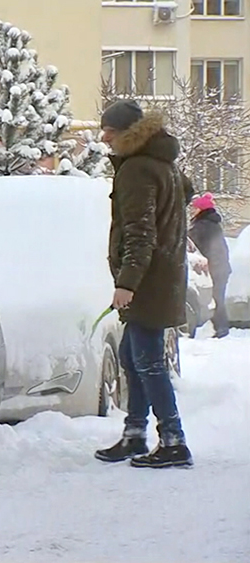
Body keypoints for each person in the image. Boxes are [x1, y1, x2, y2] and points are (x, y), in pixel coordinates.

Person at [95, 100, 193, 468]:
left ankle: (173, 440)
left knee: (147, 362)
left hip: (148, 282)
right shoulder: (164, 167)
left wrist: (127, 283)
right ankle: (135, 433)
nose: (104, 137)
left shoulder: (137, 170)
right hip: (162, 277)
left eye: (110, 130)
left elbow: (140, 233)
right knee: (132, 359)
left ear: (128, 133)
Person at [188, 192, 232, 338]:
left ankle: (221, 329)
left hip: (216, 268)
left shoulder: (203, 225)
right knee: (217, 297)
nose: (192, 211)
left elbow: (189, 241)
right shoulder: (210, 223)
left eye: (195, 208)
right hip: (220, 267)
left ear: (202, 209)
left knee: (216, 298)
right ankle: (220, 328)